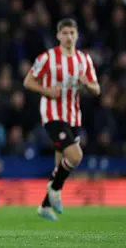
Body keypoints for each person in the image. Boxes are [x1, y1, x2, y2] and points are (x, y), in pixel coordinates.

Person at [23, 18, 100, 220]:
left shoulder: (84, 59)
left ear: (77, 35)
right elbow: (28, 81)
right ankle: (55, 189)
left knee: (61, 165)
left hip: (73, 116)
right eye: (65, 33)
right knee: (75, 156)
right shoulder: (47, 57)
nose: (69, 37)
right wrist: (45, 90)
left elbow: (96, 89)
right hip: (52, 114)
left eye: (72, 33)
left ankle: (45, 206)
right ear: (58, 35)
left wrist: (86, 84)